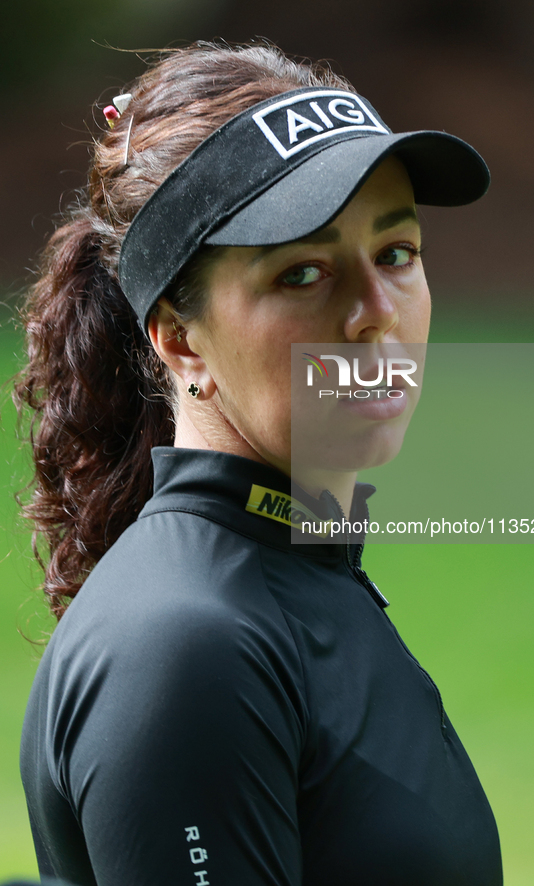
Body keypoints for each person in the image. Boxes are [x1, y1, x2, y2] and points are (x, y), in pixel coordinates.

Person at [17, 42, 502, 886]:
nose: (374, 317)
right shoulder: (184, 646)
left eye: (396, 254)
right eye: (302, 272)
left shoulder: (299, 573)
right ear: (177, 337)